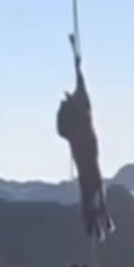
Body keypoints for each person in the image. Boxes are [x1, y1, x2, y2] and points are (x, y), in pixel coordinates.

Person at [56, 37, 114, 242]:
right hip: (88, 157)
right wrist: (76, 60)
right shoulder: (81, 115)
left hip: (86, 159)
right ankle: (99, 221)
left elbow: (61, 130)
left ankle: (97, 222)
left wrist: (75, 57)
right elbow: (81, 83)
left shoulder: (74, 123)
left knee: (91, 188)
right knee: (93, 186)